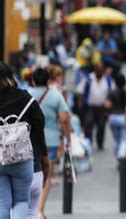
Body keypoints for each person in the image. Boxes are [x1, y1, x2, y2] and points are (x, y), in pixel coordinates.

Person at [0, 62, 48, 219]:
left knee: (2, 203)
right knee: (21, 201)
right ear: (9, 78)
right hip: (22, 158)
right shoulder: (25, 98)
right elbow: (40, 122)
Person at [28, 68, 72, 219]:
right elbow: (64, 119)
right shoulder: (55, 95)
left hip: (30, 140)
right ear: (48, 80)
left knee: (30, 174)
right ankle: (40, 211)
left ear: (33, 80)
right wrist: (68, 138)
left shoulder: (26, 94)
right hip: (51, 141)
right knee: (45, 176)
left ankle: (29, 210)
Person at [77, 62, 115, 150]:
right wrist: (80, 105)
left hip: (102, 108)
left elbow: (112, 92)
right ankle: (88, 142)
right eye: (97, 68)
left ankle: (100, 143)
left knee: (101, 125)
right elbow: (80, 92)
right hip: (90, 107)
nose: (99, 70)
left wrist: (110, 103)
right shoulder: (88, 79)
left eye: (101, 68)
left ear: (103, 69)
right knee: (88, 123)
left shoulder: (108, 80)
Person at [105, 74, 126, 159]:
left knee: (116, 140)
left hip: (113, 117)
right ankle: (122, 155)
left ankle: (118, 156)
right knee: (124, 139)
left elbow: (107, 105)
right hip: (123, 117)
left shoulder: (112, 93)